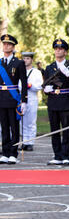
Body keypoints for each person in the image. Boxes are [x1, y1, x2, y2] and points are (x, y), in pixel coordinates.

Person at [43, 39, 69, 166]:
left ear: (65, 52)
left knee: (66, 130)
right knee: (54, 130)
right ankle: (57, 155)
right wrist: (46, 90)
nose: (58, 50)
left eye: (61, 49)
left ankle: (66, 156)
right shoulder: (50, 67)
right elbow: (45, 84)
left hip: (65, 101)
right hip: (53, 102)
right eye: (56, 48)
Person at [0, 34, 28, 164]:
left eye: (9, 44)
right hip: (1, 99)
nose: (6, 46)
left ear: (13, 46)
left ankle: (13, 153)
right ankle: (5, 152)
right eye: (4, 44)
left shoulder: (19, 63)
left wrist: (24, 101)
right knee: (4, 127)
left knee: (14, 127)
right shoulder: (0, 62)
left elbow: (24, 82)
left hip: (13, 98)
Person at [20, 52, 43, 151]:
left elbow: (39, 86)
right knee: (22, 121)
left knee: (31, 121)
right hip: (21, 98)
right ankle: (24, 141)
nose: (25, 60)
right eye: (24, 58)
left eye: (28, 58)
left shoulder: (36, 72)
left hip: (32, 97)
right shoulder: (19, 70)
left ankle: (31, 142)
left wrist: (30, 86)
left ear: (31, 60)